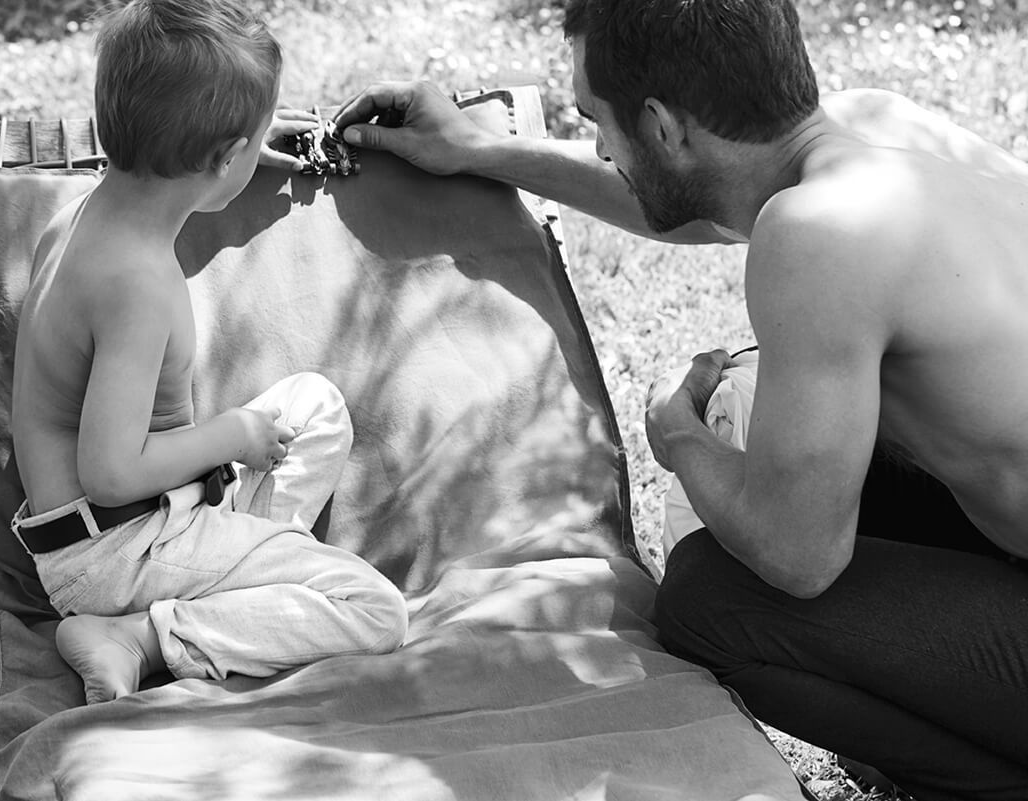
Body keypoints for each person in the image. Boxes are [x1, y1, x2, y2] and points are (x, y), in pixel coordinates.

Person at [332, 1, 1028, 798]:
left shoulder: (818, 235)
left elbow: (800, 558)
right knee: (827, 458)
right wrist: (481, 151)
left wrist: (680, 437)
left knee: (709, 598)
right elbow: (696, 202)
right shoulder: (877, 129)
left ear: (663, 127)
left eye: (598, 120)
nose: (596, 141)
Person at [9, 0, 408, 706]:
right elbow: (108, 471)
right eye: (249, 149)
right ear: (224, 159)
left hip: (136, 521)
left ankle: (244, 575)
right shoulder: (135, 286)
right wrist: (232, 435)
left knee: (313, 405)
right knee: (374, 608)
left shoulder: (81, 220)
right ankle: (143, 636)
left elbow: (183, 166)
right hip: (117, 549)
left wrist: (233, 153)